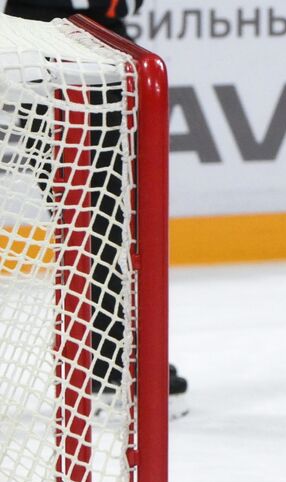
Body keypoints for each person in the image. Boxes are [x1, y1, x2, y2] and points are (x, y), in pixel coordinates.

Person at [5, 0, 190, 410]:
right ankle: (107, 360)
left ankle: (110, 356)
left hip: (94, 67)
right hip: (53, 71)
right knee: (91, 226)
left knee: (108, 224)